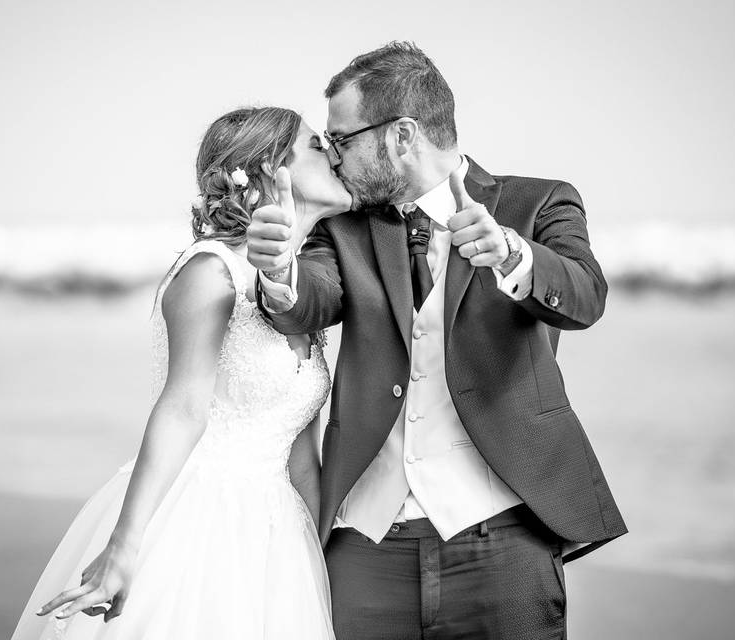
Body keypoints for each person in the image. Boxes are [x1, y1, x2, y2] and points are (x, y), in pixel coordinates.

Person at [247, 41, 628, 639]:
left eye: (342, 140)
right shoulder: (342, 226)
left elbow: (585, 296)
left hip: (503, 544)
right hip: (364, 548)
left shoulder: (538, 202)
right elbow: (312, 298)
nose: (335, 158)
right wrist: (279, 274)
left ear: (401, 136)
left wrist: (511, 254)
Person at [11, 106, 351, 639]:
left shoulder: (306, 290)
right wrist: (125, 544)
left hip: (276, 534)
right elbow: (183, 407)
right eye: (316, 145)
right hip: (194, 519)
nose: (333, 154)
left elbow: (302, 456)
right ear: (269, 167)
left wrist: (323, 563)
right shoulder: (212, 271)